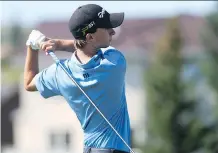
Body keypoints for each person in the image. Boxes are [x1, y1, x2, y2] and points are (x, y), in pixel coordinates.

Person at [24, 4, 131, 153]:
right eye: (107, 28)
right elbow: (83, 47)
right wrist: (59, 44)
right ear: (90, 36)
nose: (112, 31)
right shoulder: (115, 62)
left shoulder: (60, 73)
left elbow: (29, 83)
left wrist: (32, 46)